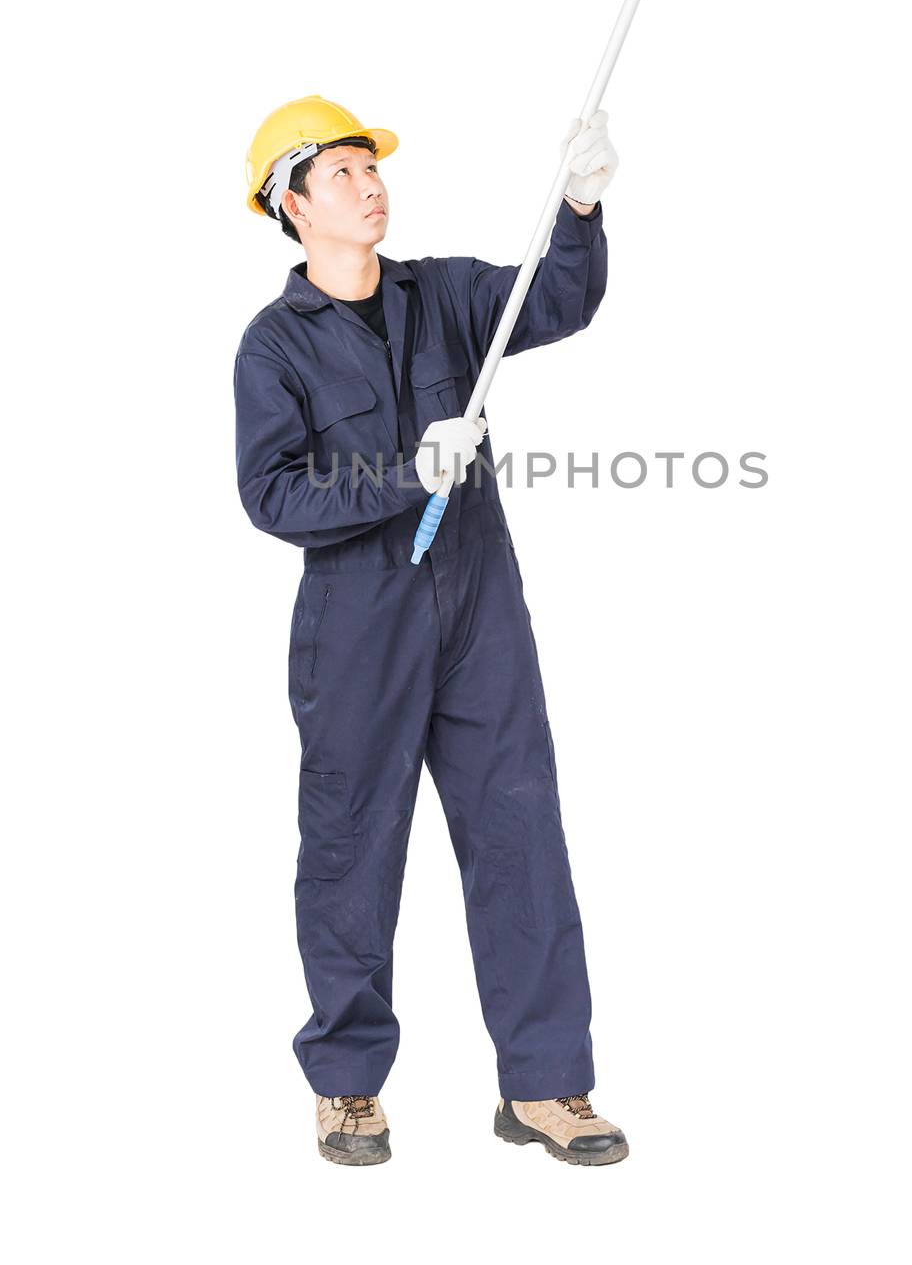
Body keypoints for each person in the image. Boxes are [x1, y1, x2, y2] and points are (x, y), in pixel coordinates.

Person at [234, 93, 628, 1167]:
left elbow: (555, 300)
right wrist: (402, 475)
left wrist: (580, 204)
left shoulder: (445, 294)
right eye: (346, 174)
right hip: (358, 625)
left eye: (374, 168)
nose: (371, 186)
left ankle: (545, 1088)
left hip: (477, 609)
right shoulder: (275, 346)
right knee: (354, 847)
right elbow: (270, 495)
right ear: (291, 204)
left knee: (519, 833)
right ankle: (349, 1087)